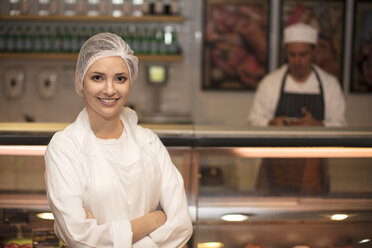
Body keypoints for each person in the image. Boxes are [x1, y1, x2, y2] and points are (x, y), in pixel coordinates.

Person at [44, 33, 193, 247]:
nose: (110, 89)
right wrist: (154, 220)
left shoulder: (148, 142)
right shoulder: (65, 148)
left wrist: (106, 235)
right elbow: (79, 237)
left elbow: (181, 225)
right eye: (97, 77)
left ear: (130, 81)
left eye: (120, 78)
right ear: (80, 80)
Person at [247, 23, 346, 127]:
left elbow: (340, 124)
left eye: (303, 55)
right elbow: (253, 120)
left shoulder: (329, 84)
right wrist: (272, 122)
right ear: (286, 53)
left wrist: (318, 125)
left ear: (313, 52)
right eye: (292, 54)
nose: (297, 61)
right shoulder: (270, 82)